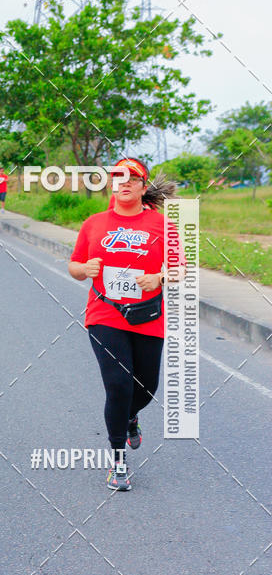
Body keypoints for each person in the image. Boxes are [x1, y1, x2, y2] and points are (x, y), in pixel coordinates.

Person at [68, 158, 182, 492]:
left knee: (146, 387)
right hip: (105, 315)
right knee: (118, 385)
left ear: (143, 186)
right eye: (118, 177)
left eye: (133, 178)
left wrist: (158, 276)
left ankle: (131, 417)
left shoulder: (162, 225)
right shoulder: (94, 223)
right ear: (111, 184)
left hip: (148, 315)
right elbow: (74, 265)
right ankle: (118, 461)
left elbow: (181, 269)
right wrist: (84, 270)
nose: (124, 183)